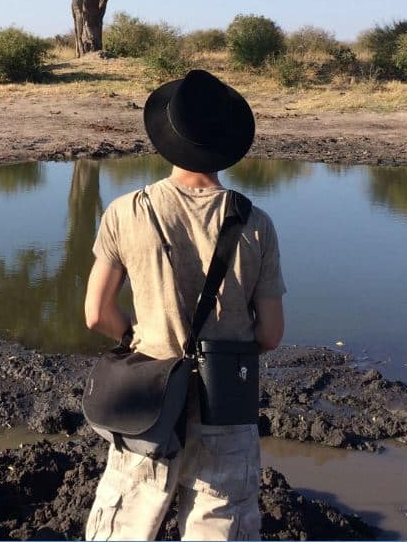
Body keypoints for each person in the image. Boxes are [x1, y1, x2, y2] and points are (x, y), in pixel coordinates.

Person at [83, 69, 285, 541]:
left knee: (126, 524)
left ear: (167, 139)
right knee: (220, 523)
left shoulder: (127, 210)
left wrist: (133, 336)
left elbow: (96, 313)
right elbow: (271, 334)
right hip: (225, 401)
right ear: (225, 146)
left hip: (148, 396)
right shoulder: (256, 223)